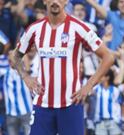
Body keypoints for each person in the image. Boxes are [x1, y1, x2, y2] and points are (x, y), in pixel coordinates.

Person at [10, 0, 114, 135]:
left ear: (66, 2)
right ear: (45, 1)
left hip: (71, 103)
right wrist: (25, 77)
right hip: (43, 104)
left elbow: (108, 57)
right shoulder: (35, 29)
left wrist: (89, 85)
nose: (55, 2)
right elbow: (15, 56)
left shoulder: (78, 27)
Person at [3, 51, 33, 135]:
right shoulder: (5, 69)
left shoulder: (26, 71)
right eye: (10, 59)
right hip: (11, 112)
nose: (12, 60)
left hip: (26, 111)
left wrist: (23, 56)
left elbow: (27, 61)